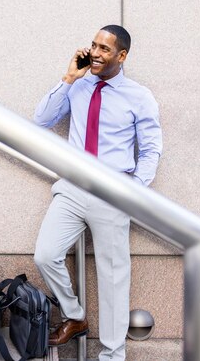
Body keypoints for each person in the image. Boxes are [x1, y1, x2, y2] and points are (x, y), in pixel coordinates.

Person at [33, 25, 162, 360]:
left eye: (105, 49)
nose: (96, 53)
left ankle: (112, 355)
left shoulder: (139, 95)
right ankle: (75, 317)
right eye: (93, 45)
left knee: (113, 277)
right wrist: (68, 78)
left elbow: (150, 149)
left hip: (112, 191)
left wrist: (132, 190)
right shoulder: (78, 86)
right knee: (46, 255)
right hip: (74, 187)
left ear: (122, 55)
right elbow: (41, 120)